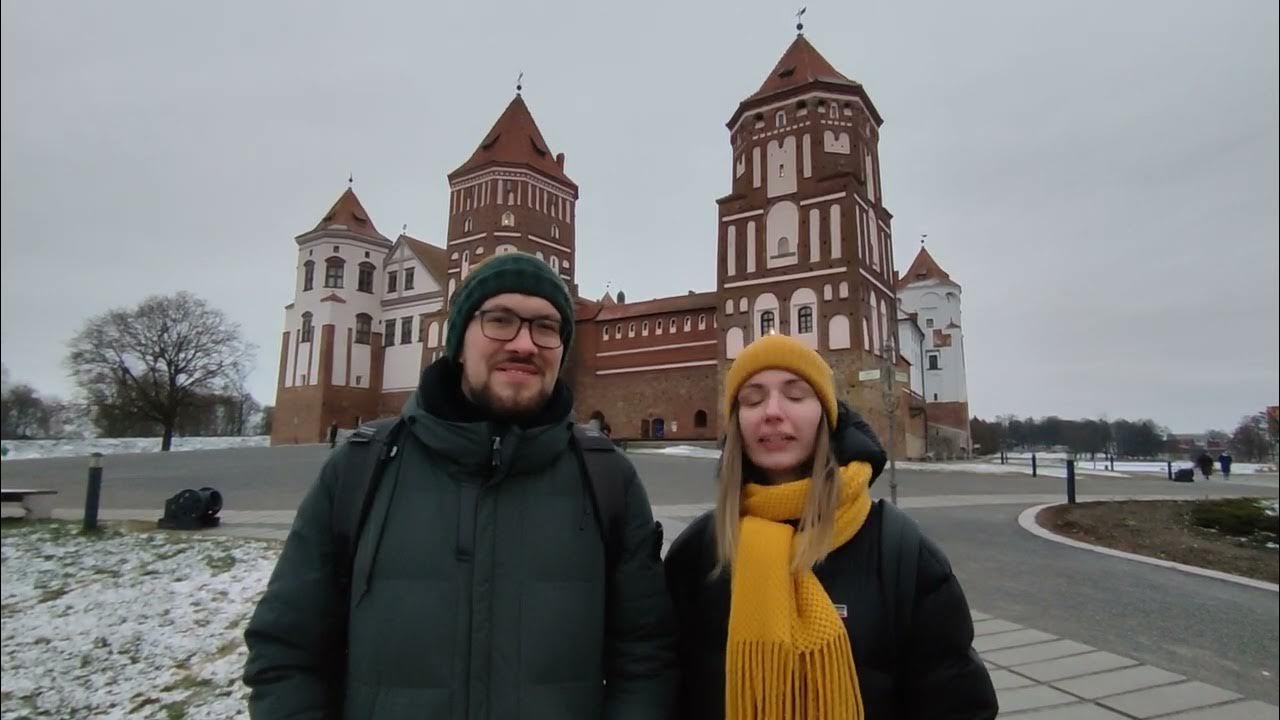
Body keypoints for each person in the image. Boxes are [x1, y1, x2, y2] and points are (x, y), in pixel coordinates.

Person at [244, 253, 678, 719]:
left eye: (546, 327)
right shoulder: (361, 469)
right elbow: (286, 654)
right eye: (500, 320)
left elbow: (646, 659)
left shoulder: (608, 480)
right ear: (457, 340)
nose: (524, 343)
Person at [664, 335, 997, 720]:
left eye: (796, 394)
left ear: (826, 414)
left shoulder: (899, 553)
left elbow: (959, 706)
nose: (772, 411)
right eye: (752, 399)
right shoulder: (700, 552)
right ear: (737, 422)